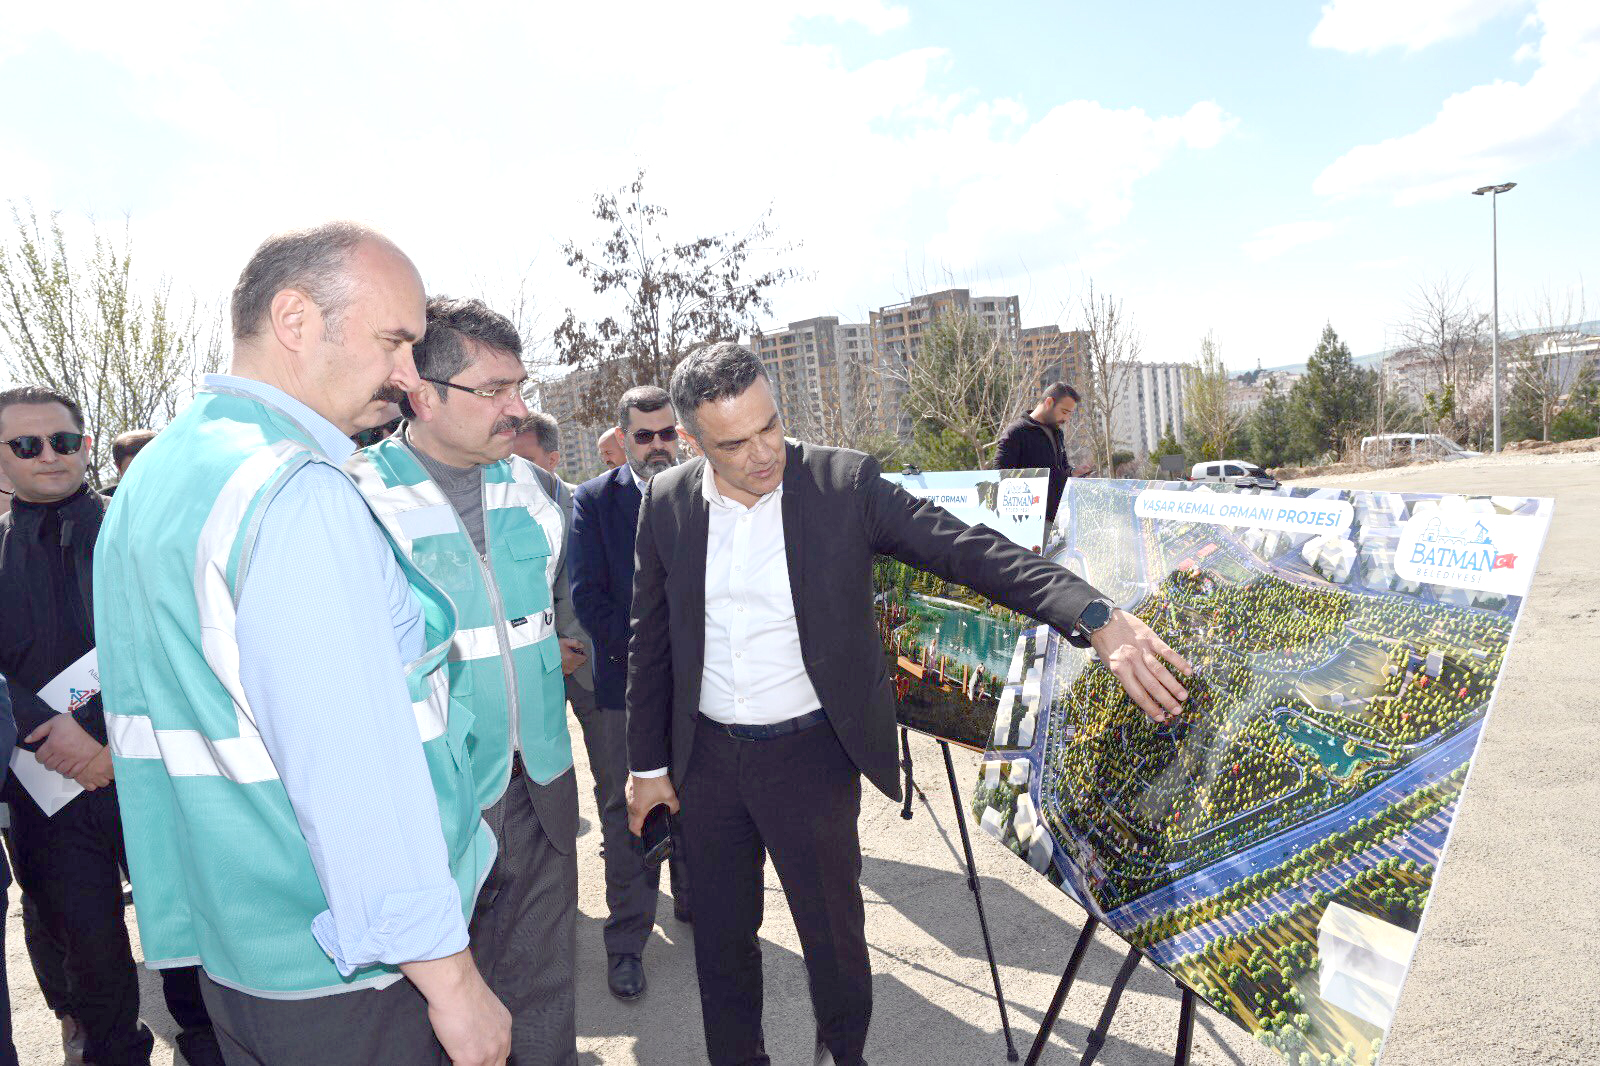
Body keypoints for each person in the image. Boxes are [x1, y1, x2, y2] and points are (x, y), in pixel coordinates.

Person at [625, 343, 1191, 1065]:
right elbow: (649, 641)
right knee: (724, 949)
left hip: (809, 754)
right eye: (735, 443)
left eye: (770, 426)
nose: (764, 453)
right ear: (694, 442)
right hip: (703, 760)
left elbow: (969, 549)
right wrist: (647, 766)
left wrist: (1094, 615)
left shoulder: (841, 483)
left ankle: (843, 1055)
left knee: (834, 940)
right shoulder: (667, 503)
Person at [94, 223, 510, 1066]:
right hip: (351, 978)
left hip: (240, 949)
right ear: (295, 319)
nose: (407, 375)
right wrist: (453, 981)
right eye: (396, 341)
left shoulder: (163, 474)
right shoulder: (294, 493)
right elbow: (351, 767)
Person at [346, 297, 582, 1064]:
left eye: (519, 385)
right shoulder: (356, 500)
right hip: (433, 803)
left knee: (543, 996)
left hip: (542, 784)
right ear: (423, 392)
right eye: (493, 391)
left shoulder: (540, 492)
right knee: (440, 1008)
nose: (517, 408)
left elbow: (554, 616)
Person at [0, 385, 222, 1066]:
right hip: (47, 791)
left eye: (64, 441)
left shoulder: (143, 530)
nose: (49, 456)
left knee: (192, 943)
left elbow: (183, 638)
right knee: (91, 961)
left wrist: (108, 744)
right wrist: (52, 731)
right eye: (26, 445)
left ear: (86, 446)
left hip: (155, 772)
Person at [569, 385, 690, 1001]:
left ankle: (696, 903)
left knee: (704, 799)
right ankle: (626, 943)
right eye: (644, 436)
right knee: (627, 812)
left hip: (701, 687)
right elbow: (587, 594)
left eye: (667, 433)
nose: (657, 446)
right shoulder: (593, 502)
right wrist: (648, 654)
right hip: (623, 688)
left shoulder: (705, 491)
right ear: (623, 440)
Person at [994, 381, 1091, 524]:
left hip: (1057, 521)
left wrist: (1073, 472)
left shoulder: (1057, 433)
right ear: (1049, 402)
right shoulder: (1016, 432)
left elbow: (1061, 469)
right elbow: (999, 478)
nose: (1066, 419)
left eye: (1070, 414)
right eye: (1064, 412)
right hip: (1028, 524)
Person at [101, 429, 158, 496]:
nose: (144, 478)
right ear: (119, 468)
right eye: (136, 471)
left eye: (152, 467)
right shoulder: (103, 504)